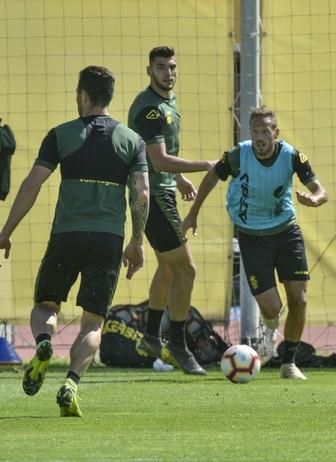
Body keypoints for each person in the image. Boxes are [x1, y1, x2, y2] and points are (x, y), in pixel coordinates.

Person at [0, 66, 149, 416]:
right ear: (109, 97)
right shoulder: (132, 140)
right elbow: (141, 193)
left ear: (82, 95)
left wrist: (6, 231)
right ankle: (71, 382)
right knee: (93, 322)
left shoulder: (60, 135)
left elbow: (31, 184)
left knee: (45, 306)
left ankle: (43, 343)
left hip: (66, 235)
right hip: (109, 240)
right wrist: (137, 241)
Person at [181, 106, 328, 380]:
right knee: (272, 308)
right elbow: (212, 176)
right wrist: (193, 213)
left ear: (276, 132)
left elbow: (321, 190)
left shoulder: (292, 156)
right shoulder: (239, 155)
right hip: (251, 235)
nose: (260, 137)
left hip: (286, 231)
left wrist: (315, 199)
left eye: (265, 131)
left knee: (300, 299)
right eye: (255, 131)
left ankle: (289, 363)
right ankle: (269, 329)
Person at [128, 46, 214, 375]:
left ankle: (151, 336)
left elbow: (161, 156)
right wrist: (206, 165)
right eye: (161, 67)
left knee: (168, 268)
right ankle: (177, 343)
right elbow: (158, 160)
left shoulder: (168, 102)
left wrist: (178, 180)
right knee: (186, 271)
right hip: (152, 196)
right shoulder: (150, 109)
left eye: (172, 67)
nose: (168, 73)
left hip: (163, 191)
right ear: (149, 70)